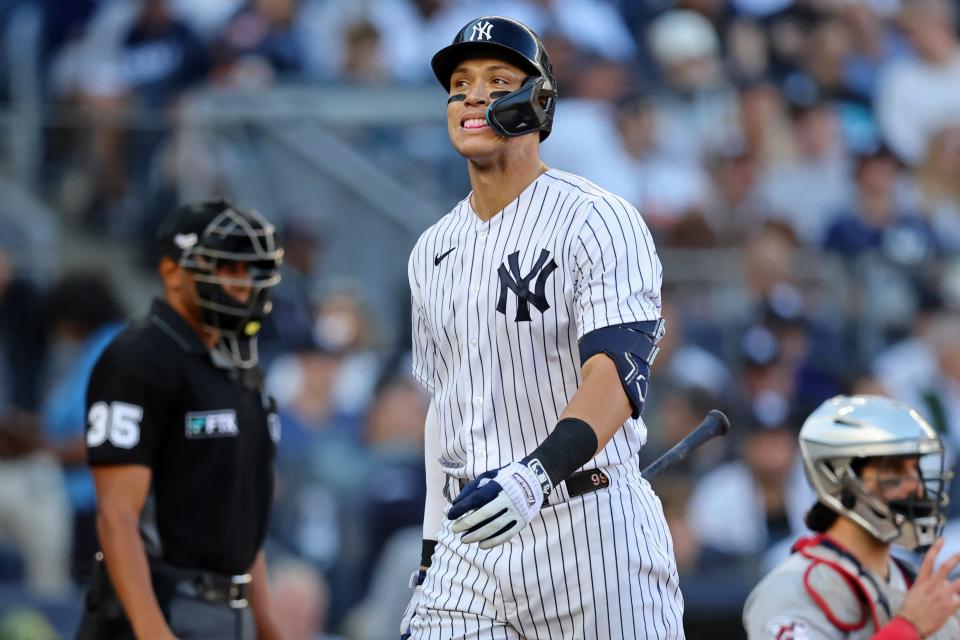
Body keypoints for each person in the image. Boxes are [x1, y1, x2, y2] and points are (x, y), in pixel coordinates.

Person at [402, 16, 683, 639]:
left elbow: (616, 374)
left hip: (589, 532)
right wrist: (429, 547)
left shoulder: (597, 218)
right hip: (470, 542)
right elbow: (442, 412)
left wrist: (536, 474)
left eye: (498, 81)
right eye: (459, 83)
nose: (472, 95)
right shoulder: (432, 249)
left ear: (539, 103)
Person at [75, 199, 285, 640]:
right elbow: (117, 514)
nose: (242, 284)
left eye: (248, 270)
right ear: (172, 272)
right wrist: (152, 629)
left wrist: (268, 625)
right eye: (226, 267)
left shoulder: (240, 367)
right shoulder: (137, 359)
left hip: (231, 611)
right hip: (160, 606)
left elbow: (241, 517)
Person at [743, 395, 960, 639]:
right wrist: (907, 629)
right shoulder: (789, 588)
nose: (917, 487)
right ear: (840, 478)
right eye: (895, 469)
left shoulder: (917, 587)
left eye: (916, 469)